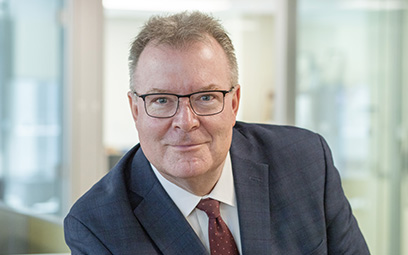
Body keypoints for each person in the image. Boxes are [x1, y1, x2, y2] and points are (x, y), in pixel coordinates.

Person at [64, 11, 370, 255]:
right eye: (161, 100)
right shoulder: (98, 225)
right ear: (135, 110)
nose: (186, 121)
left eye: (206, 97)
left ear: (234, 103)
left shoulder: (305, 162)